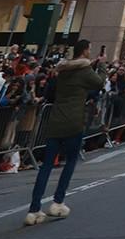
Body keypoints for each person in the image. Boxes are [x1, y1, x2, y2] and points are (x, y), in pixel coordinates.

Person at [24, 40, 105, 225]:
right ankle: (58, 201)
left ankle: (34, 209)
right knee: (69, 162)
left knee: (46, 166)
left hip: (56, 120)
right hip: (73, 121)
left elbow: (50, 93)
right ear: (85, 51)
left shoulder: (61, 71)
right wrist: (102, 66)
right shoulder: (84, 71)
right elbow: (99, 83)